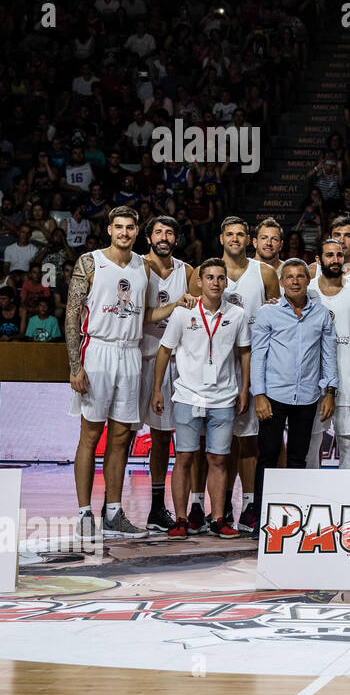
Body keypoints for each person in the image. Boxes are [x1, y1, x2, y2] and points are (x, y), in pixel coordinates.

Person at [65, 206, 196, 538]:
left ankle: (113, 511)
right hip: (97, 351)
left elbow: (146, 313)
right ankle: (84, 512)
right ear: (109, 229)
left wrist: (176, 305)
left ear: (138, 231)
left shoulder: (143, 266)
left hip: (130, 352)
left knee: (122, 437)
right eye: (119, 226)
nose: (124, 232)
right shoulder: (90, 262)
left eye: (130, 227)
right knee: (90, 435)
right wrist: (74, 365)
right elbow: (71, 315)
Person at [189, 217, 280, 532]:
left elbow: (276, 318)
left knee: (249, 441)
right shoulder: (206, 274)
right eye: (230, 233)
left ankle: (252, 505)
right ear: (221, 238)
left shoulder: (265, 273)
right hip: (212, 369)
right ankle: (210, 504)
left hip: (251, 364)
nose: (236, 238)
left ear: (250, 239)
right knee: (209, 445)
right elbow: (191, 318)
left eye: (242, 234)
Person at [152, 258, 251, 539]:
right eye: (210, 277)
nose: (215, 283)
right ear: (199, 281)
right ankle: (181, 519)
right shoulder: (184, 313)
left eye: (220, 278)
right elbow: (164, 350)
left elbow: (245, 352)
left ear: (226, 282)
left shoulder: (237, 314)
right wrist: (157, 388)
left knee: (218, 460)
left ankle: (219, 519)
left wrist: (244, 389)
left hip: (223, 397)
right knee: (184, 458)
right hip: (187, 395)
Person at [251, 259, 339, 522]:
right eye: (289, 277)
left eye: (300, 276)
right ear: (281, 282)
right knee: (267, 456)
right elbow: (258, 356)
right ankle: (262, 518)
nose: (295, 281)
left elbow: (329, 355)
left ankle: (293, 519)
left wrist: (330, 391)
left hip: (308, 396)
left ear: (308, 281)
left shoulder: (321, 314)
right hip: (273, 396)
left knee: (299, 459)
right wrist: (259, 395)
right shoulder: (268, 314)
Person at [137, 215, 192, 531]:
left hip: (172, 362)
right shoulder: (136, 268)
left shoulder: (187, 272)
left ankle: (157, 509)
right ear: (149, 238)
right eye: (158, 231)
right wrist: (174, 308)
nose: (164, 237)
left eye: (170, 232)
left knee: (161, 438)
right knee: (125, 435)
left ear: (176, 239)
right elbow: (139, 317)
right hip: (140, 358)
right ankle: (110, 508)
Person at [306, 237, 350, 470]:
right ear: (318, 259)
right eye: (329, 255)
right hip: (312, 380)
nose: (335, 260)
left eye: (339, 255)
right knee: (312, 444)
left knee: (348, 443)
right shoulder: (307, 290)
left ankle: (348, 500)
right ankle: (310, 498)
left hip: (348, 378)